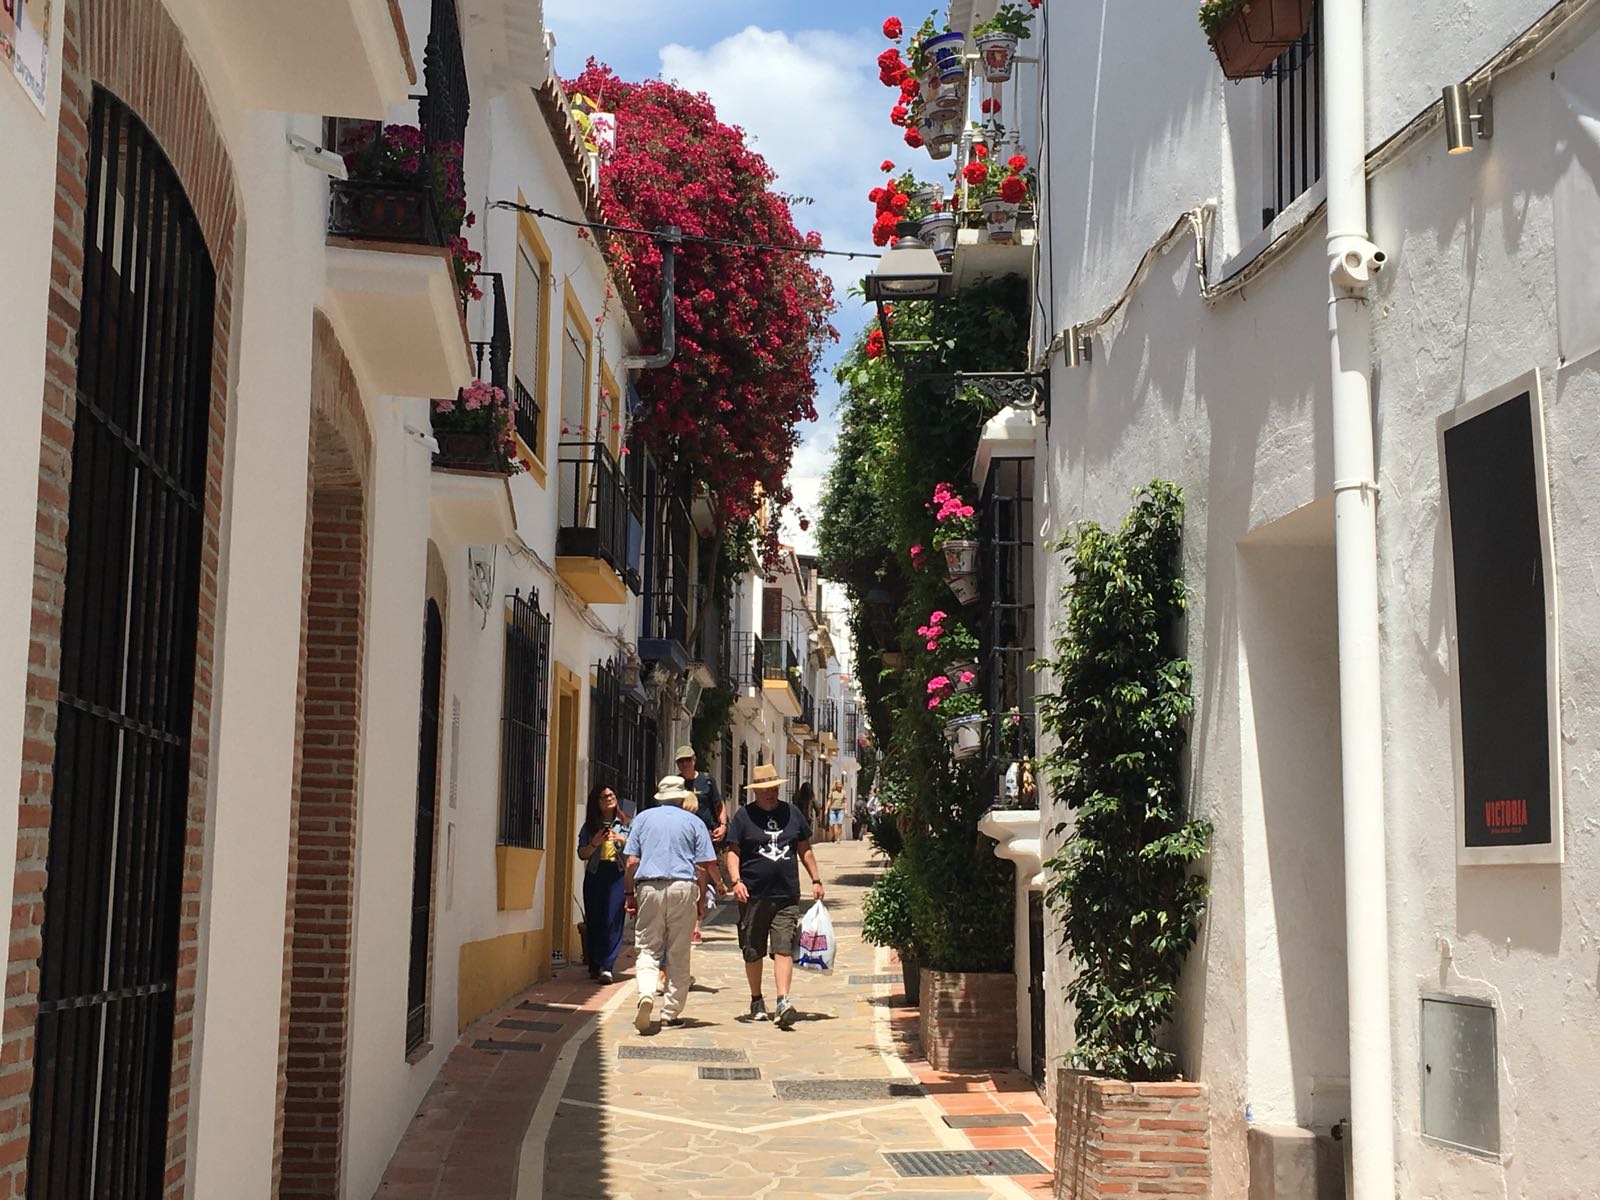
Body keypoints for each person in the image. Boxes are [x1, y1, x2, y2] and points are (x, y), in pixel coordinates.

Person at [725, 763, 824, 1030]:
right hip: (753, 895)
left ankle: (783, 1001)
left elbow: (804, 848)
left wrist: (816, 879)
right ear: (755, 792)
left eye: (773, 789)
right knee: (752, 950)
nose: (770, 794)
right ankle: (756, 999)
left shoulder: (792, 813)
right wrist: (736, 881)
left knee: (783, 947)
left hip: (786, 894)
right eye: (764, 790)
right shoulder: (744, 816)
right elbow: (733, 852)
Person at [623, 775, 717, 1033]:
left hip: (649, 886)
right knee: (678, 952)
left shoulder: (643, 819)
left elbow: (631, 862)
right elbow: (702, 866)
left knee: (648, 948)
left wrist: (629, 893)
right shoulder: (694, 822)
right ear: (682, 796)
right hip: (683, 887)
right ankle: (670, 1013)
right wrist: (700, 901)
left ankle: (646, 993)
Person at [577, 783, 630, 983]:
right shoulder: (590, 826)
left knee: (613, 919)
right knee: (595, 919)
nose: (609, 798)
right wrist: (595, 843)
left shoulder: (626, 824)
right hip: (595, 874)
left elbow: (636, 851)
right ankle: (595, 964)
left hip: (617, 873)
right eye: (604, 796)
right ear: (596, 802)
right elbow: (582, 854)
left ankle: (607, 966)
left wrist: (622, 840)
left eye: (612, 795)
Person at [676, 744, 729, 943]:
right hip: (682, 835)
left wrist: (723, 825)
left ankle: (697, 924)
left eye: (687, 760)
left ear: (694, 760)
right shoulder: (676, 783)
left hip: (705, 833)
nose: (684, 764)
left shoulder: (707, 780)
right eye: (680, 761)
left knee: (701, 876)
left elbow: (718, 804)